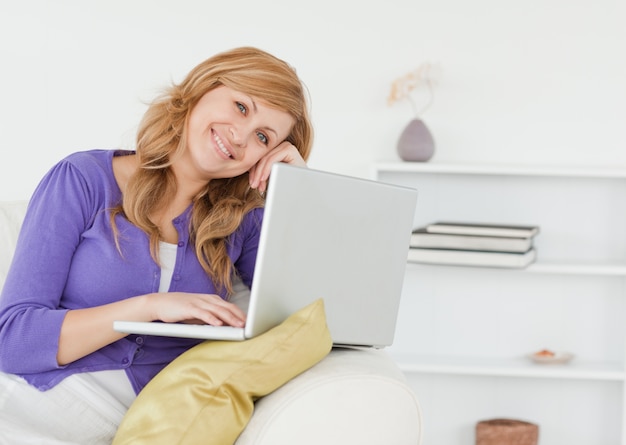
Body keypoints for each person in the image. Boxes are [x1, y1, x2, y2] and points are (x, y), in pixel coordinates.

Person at [0, 46, 313, 444]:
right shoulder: (83, 179)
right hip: (33, 408)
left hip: (149, 425)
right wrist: (148, 309)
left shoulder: (242, 221)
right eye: (240, 106)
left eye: (263, 137)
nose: (239, 136)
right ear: (203, 87)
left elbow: (308, 317)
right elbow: (13, 339)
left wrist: (299, 190)